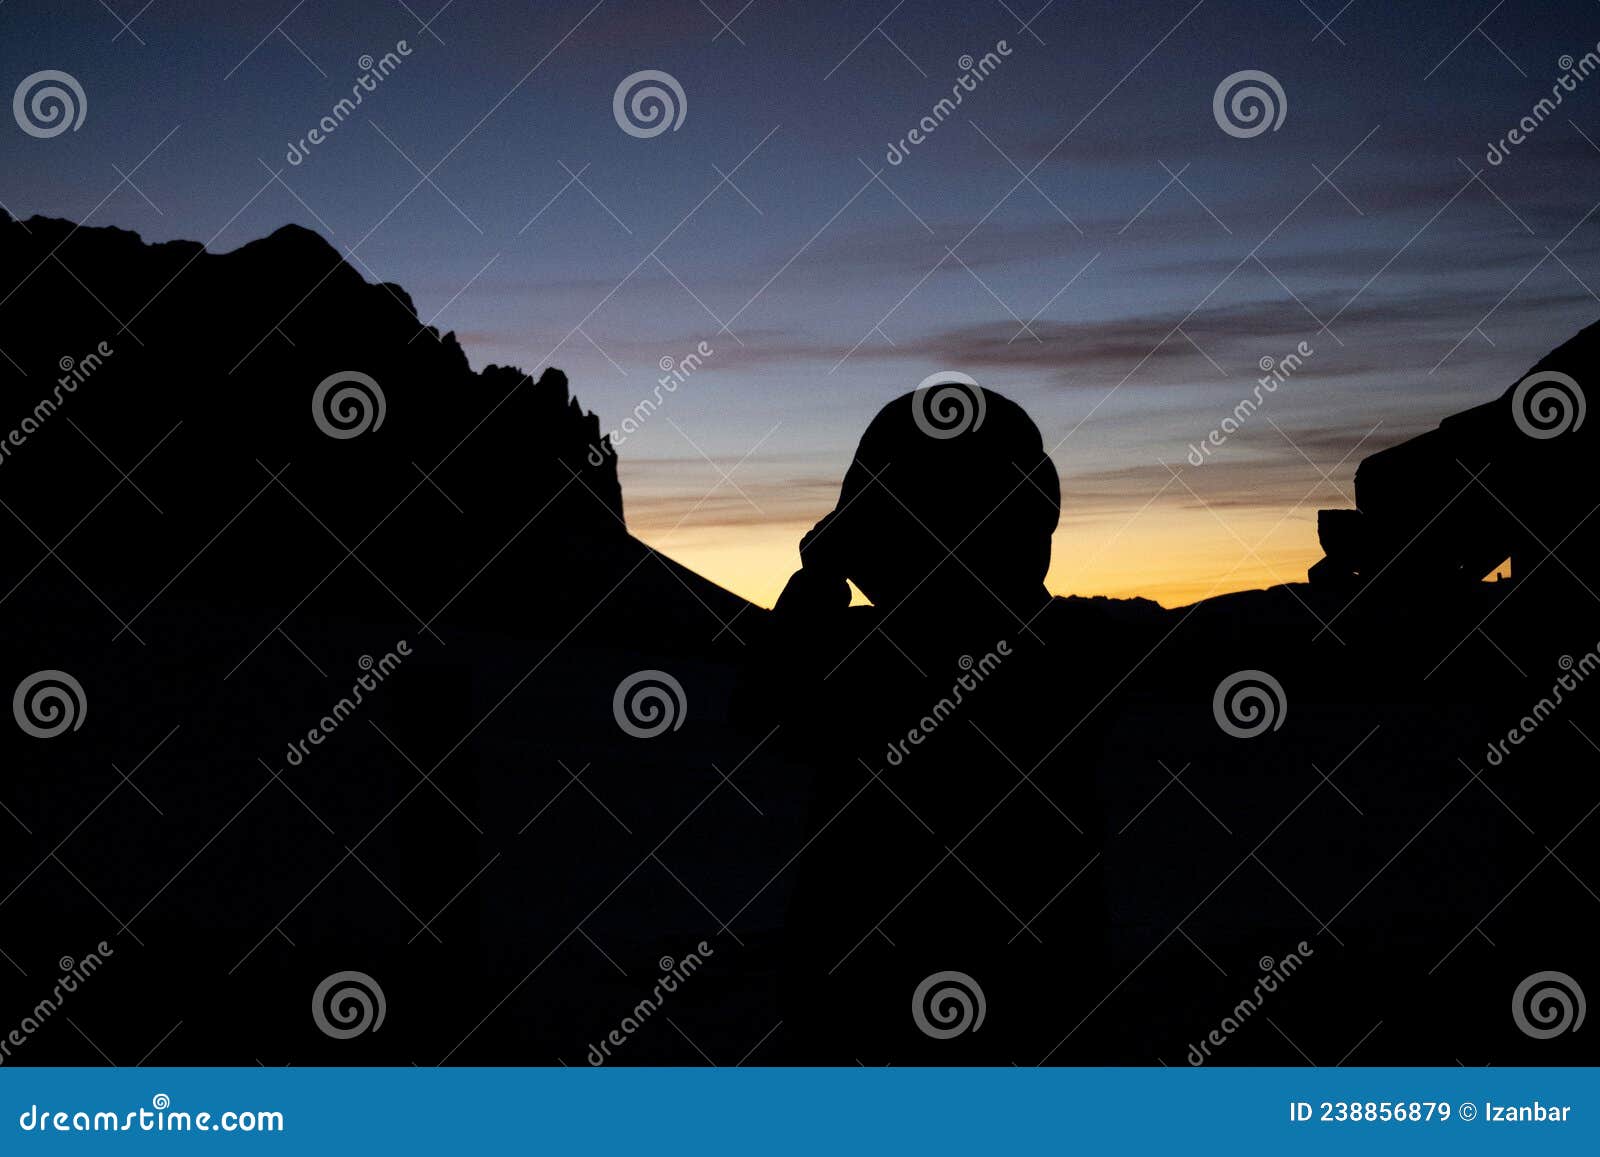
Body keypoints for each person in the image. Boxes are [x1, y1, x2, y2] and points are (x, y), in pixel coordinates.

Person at [741, 379, 1159, 1063]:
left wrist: (819, 574)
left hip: (863, 1007)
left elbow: (767, 701)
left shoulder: (858, 657)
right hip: (1037, 1003)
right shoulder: (1070, 646)